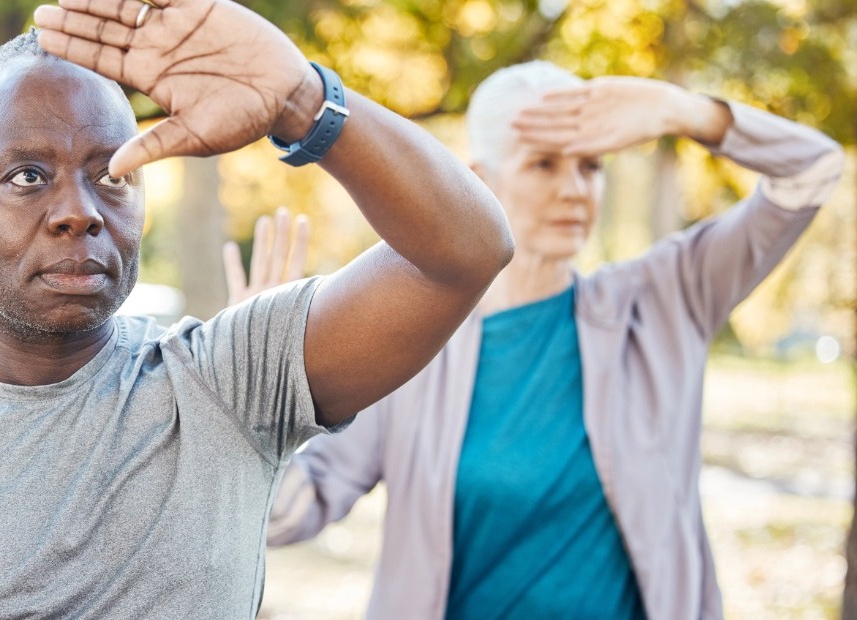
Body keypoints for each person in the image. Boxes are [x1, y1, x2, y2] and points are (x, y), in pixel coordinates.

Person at [0, 0, 514, 617]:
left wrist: (305, 101)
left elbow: (467, 251)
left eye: (114, 174)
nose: (80, 210)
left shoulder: (228, 380)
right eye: (29, 175)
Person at [266, 61, 845, 619]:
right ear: (479, 182)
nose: (575, 189)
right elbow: (287, 515)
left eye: (590, 165)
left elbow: (812, 170)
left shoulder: (665, 298)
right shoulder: (413, 344)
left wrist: (685, 111)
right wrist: (264, 380)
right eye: (544, 164)